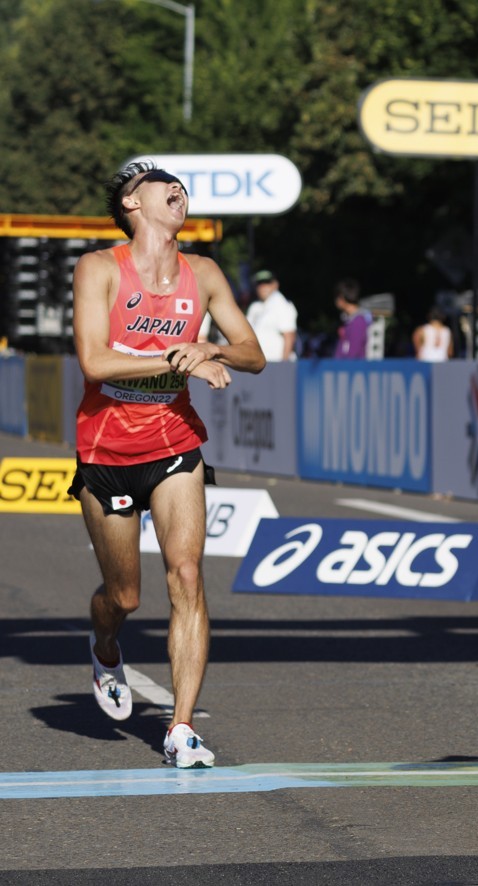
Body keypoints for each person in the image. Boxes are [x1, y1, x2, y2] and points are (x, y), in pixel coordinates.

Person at [70, 160, 266, 768]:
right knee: (124, 596)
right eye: (162, 184)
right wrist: (178, 362)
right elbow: (96, 364)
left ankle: (181, 728)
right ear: (132, 204)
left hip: (174, 442)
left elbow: (253, 354)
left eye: (181, 187)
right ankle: (105, 645)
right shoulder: (99, 268)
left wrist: (209, 345)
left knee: (186, 576)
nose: (177, 190)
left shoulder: (203, 274)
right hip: (106, 448)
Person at [246, 269, 298, 361]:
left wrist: (283, 364)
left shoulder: (283, 305)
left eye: (267, 282)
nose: (263, 286)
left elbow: (289, 336)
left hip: (275, 362)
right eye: (259, 283)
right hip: (257, 363)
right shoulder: (254, 307)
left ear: (275, 285)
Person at [333, 277, 372, 359]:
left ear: (342, 297)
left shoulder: (358, 321)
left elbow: (353, 352)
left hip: (351, 369)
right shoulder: (348, 320)